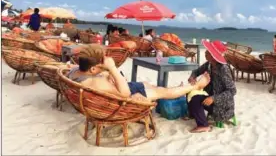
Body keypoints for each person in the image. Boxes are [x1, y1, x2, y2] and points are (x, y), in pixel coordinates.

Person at [67, 44, 211, 102]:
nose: (105, 65)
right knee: (163, 91)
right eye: (102, 64)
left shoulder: (75, 72)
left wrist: (105, 73)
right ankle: (195, 86)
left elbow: (101, 79)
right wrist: (112, 68)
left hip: (122, 88)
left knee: (147, 84)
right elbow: (124, 94)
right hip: (127, 97)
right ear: (92, 69)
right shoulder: (94, 81)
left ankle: (186, 87)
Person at [186, 40, 236, 133]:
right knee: (189, 90)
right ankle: (192, 114)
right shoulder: (209, 64)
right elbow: (196, 71)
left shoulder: (223, 69)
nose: (205, 52)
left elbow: (232, 91)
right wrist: (192, 78)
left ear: (213, 56)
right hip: (210, 96)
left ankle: (204, 126)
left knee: (195, 98)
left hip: (222, 106)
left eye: (208, 51)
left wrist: (214, 98)